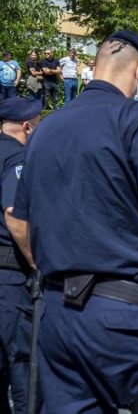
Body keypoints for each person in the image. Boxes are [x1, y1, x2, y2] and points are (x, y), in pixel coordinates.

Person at [9, 30, 138, 412]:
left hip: (57, 314)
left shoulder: (46, 129)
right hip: (125, 313)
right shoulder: (135, 117)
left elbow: (21, 220)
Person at [0, 98, 41, 414]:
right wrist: (37, 262)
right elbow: (15, 214)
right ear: (27, 126)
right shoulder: (17, 157)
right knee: (23, 365)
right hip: (11, 278)